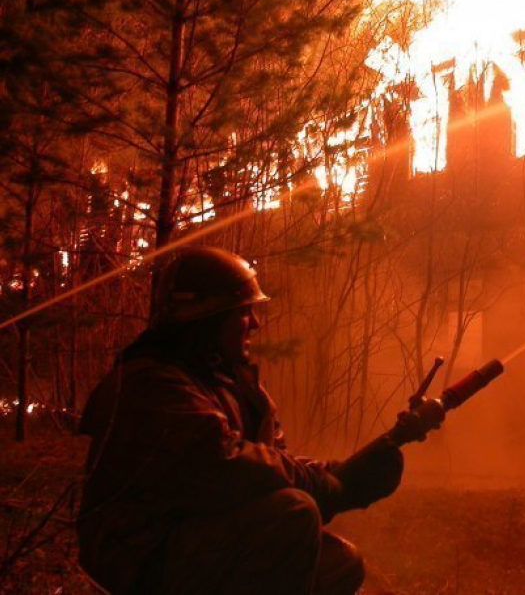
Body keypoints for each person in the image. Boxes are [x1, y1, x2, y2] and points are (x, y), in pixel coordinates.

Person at [77, 246, 403, 594]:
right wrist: (320, 484)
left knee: (339, 563)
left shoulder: (235, 387)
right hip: (142, 559)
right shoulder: (150, 384)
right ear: (209, 318)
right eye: (244, 312)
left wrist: (340, 477)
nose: (256, 324)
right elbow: (223, 463)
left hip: (193, 541)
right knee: (294, 514)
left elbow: (271, 461)